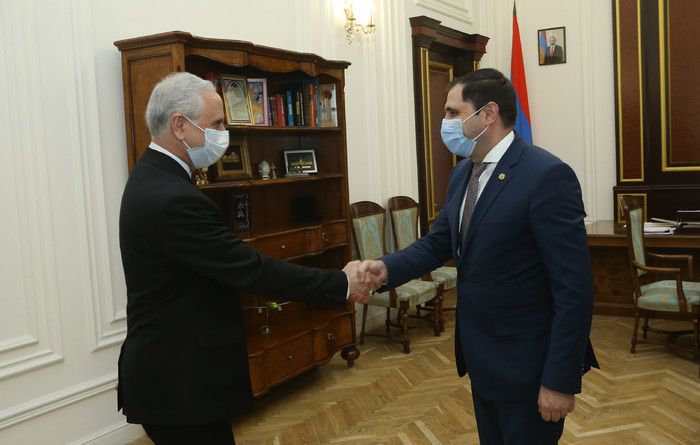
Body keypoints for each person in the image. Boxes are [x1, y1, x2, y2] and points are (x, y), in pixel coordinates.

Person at [117, 71, 379, 444]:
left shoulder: (153, 177)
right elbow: (250, 271)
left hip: (169, 371)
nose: (225, 132)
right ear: (179, 125)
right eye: (217, 123)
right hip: (180, 382)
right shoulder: (172, 197)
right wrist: (343, 282)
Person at [359, 68, 598, 445]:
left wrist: (560, 380)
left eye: (453, 112)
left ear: (488, 113)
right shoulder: (462, 174)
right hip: (482, 361)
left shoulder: (546, 175)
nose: (445, 122)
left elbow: (574, 288)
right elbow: (438, 244)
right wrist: (384, 268)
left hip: (529, 368)